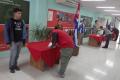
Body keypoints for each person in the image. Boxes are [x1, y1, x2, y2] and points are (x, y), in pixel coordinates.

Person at [4, 8, 27, 73]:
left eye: (21, 13)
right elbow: (6, 31)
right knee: (13, 55)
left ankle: (15, 65)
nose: (20, 14)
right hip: (13, 41)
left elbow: (24, 31)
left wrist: (24, 41)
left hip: (20, 41)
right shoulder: (9, 21)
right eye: (19, 13)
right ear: (14, 13)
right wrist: (8, 42)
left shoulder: (22, 21)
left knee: (17, 55)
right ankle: (11, 66)